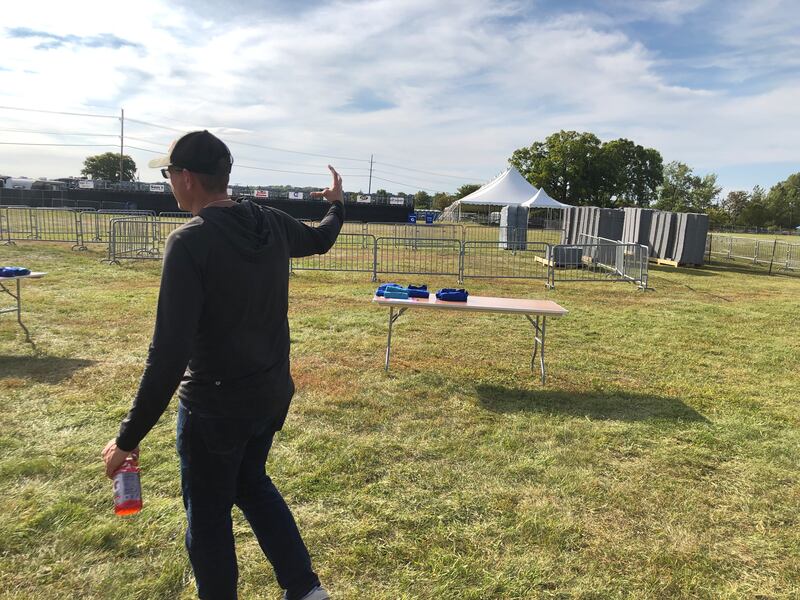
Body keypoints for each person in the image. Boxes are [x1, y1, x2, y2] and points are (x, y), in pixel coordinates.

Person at [102, 130, 342, 600]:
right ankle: (305, 590)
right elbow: (321, 239)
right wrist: (338, 204)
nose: (169, 182)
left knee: (208, 520)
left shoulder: (190, 242)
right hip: (269, 396)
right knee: (252, 484)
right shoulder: (267, 222)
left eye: (169, 173)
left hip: (214, 409)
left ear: (188, 177)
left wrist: (126, 438)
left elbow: (167, 356)